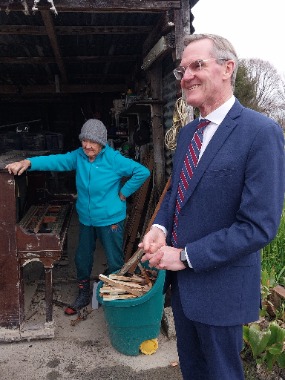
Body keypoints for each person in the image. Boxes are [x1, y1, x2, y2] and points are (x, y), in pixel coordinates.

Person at [139, 33, 285, 380]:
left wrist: (185, 255)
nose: (186, 75)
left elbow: (259, 226)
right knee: (193, 372)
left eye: (197, 65)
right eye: (182, 69)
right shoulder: (190, 134)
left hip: (222, 292)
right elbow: (178, 196)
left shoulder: (260, 132)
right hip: (184, 291)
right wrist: (159, 228)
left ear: (227, 68)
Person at [6, 119, 150, 315]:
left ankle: (114, 294)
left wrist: (124, 192)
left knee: (115, 259)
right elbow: (55, 161)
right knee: (82, 257)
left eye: (92, 142)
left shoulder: (114, 159)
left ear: (102, 142)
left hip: (111, 219)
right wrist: (28, 162)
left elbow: (142, 171)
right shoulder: (79, 156)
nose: (87, 146)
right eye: (84, 140)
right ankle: (83, 293)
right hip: (86, 219)